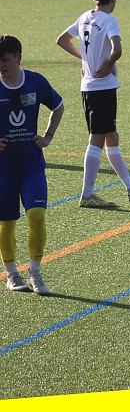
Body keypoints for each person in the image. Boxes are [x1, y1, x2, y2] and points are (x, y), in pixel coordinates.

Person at [56, 0, 130, 208]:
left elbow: (62, 40)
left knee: (111, 136)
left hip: (88, 87)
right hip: (102, 88)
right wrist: (108, 64)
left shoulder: (84, 17)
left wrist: (86, 59)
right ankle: (87, 193)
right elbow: (117, 50)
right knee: (97, 139)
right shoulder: (109, 20)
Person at [0, 35, 64, 294]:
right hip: (3, 169)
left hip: (31, 166)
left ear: (18, 57)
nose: (0, 65)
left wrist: (48, 136)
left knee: (37, 216)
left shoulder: (36, 82)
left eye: (4, 60)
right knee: (6, 223)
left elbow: (58, 106)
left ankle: (35, 273)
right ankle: (12, 274)